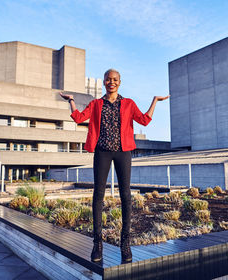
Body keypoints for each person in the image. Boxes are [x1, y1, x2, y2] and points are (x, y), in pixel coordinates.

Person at [60, 69, 169, 263]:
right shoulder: (96, 104)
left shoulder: (128, 103)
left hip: (123, 152)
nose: (111, 82)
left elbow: (144, 119)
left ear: (120, 82)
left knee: (126, 195)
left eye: (115, 79)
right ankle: (97, 244)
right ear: (104, 82)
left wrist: (154, 101)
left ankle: (125, 244)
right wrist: (71, 100)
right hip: (102, 152)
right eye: (108, 79)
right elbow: (78, 118)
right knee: (98, 195)